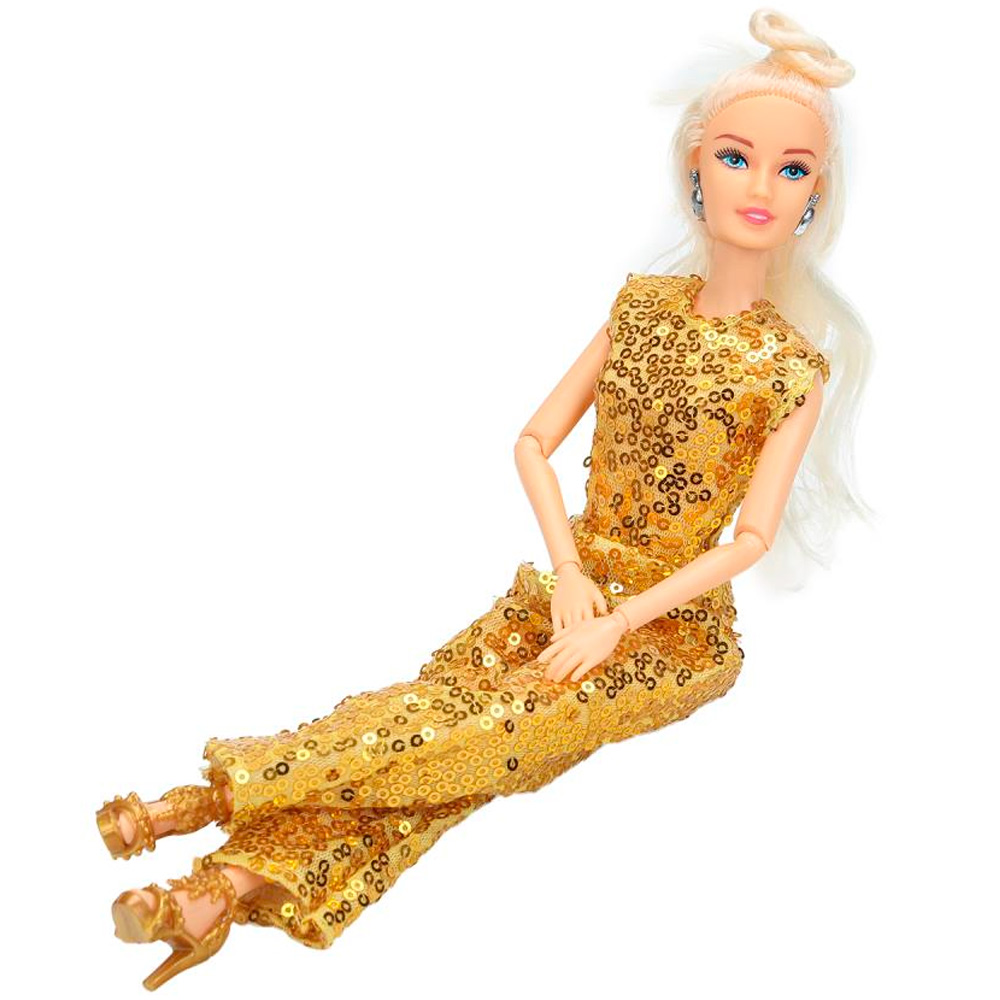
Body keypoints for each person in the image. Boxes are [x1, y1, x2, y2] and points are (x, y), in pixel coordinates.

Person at [95, 8, 871, 990]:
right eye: (736, 157)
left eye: (792, 169)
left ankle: (202, 802)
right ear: (694, 166)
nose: (760, 187)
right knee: (442, 725)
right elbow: (533, 442)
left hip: (670, 635)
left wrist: (616, 620)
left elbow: (748, 540)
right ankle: (223, 892)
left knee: (488, 730)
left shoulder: (791, 368)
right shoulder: (638, 308)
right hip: (567, 591)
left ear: (815, 195)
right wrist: (570, 576)